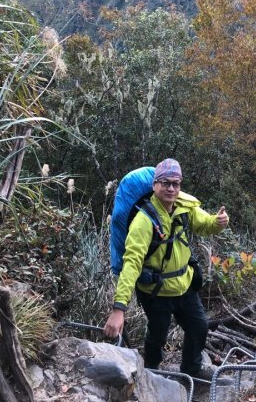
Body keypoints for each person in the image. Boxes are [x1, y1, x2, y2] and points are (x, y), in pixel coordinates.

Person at [103, 158, 230, 380]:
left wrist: (217, 222)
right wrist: (119, 309)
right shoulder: (143, 221)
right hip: (156, 291)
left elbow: (203, 224)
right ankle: (152, 370)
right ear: (155, 185)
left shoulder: (184, 207)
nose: (171, 188)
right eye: (165, 183)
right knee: (158, 334)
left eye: (176, 183)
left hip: (184, 285)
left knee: (199, 328)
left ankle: (191, 373)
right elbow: (131, 264)